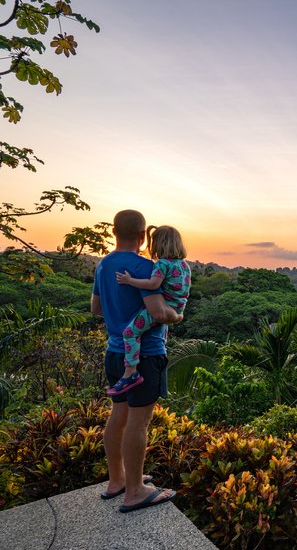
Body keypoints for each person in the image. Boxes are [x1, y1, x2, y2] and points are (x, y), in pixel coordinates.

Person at [91, 210, 180, 513]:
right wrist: (176, 314)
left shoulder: (103, 265)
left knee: (118, 415)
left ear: (114, 232)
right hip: (145, 355)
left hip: (116, 353)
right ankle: (134, 491)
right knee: (138, 423)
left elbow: (96, 308)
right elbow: (158, 313)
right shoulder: (145, 267)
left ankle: (117, 480)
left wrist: (120, 313)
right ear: (143, 237)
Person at [108, 225, 191, 395]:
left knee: (130, 333)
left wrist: (129, 281)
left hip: (163, 308)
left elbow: (153, 284)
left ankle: (130, 372)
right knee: (160, 327)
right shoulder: (184, 265)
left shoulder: (162, 264)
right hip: (178, 307)